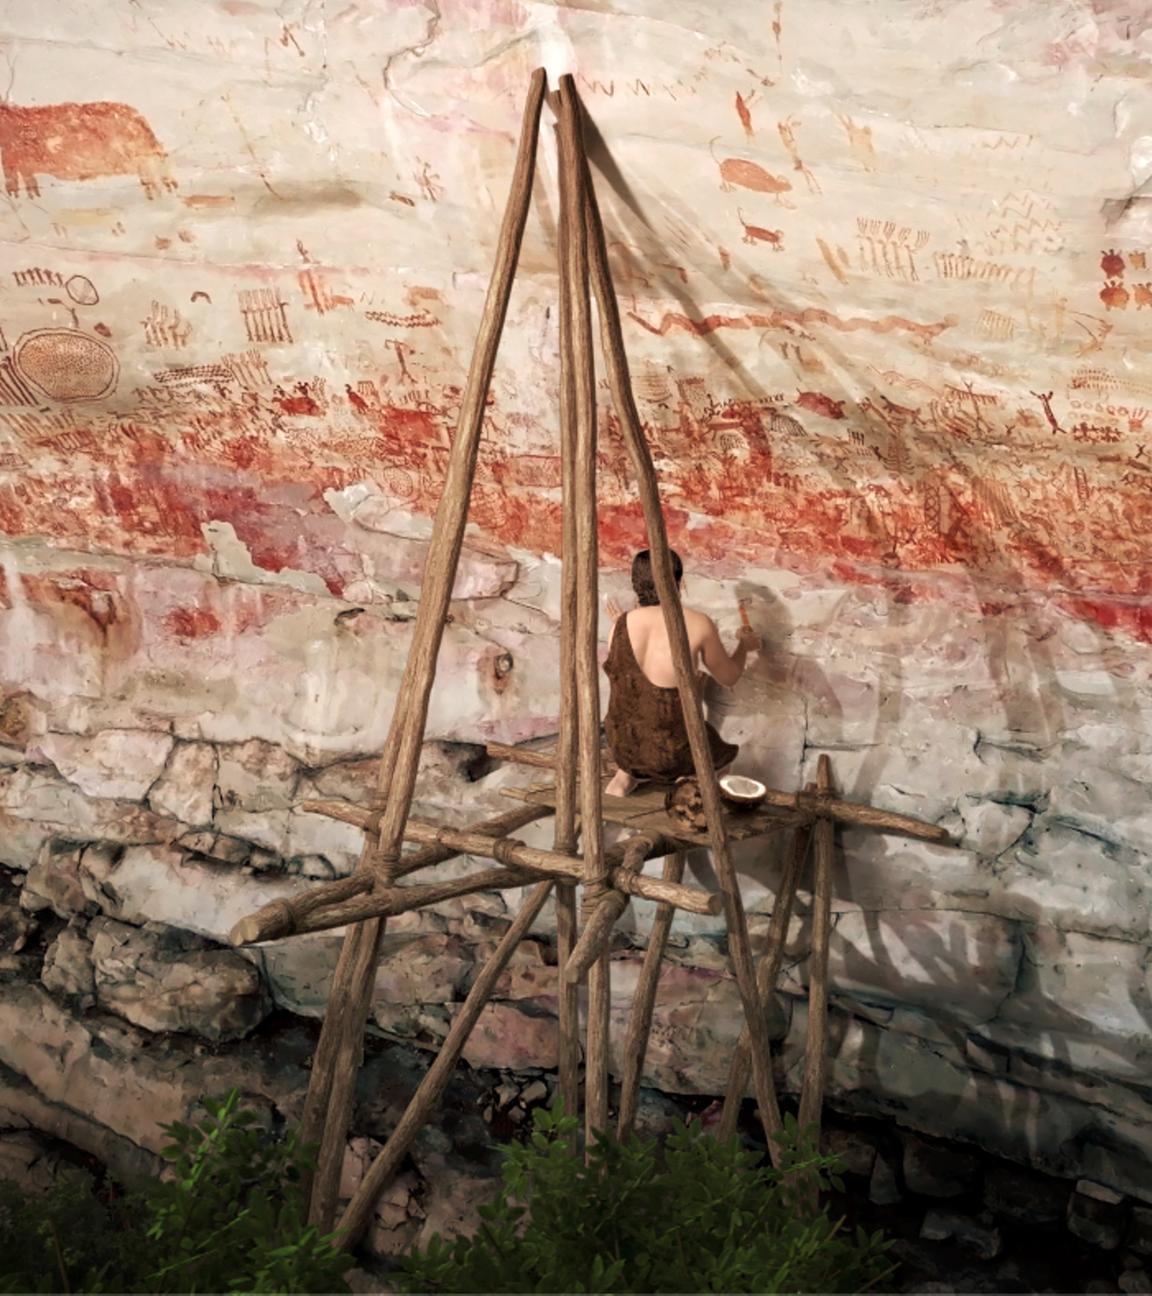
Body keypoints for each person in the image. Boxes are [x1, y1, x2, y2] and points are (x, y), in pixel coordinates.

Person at [603, 549, 761, 797]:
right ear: (679, 582)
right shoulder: (697, 622)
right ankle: (695, 787)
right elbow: (729, 677)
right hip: (671, 754)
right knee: (719, 755)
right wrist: (745, 646)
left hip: (623, 747)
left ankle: (624, 778)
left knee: (639, 717)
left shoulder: (618, 626)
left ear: (636, 584)